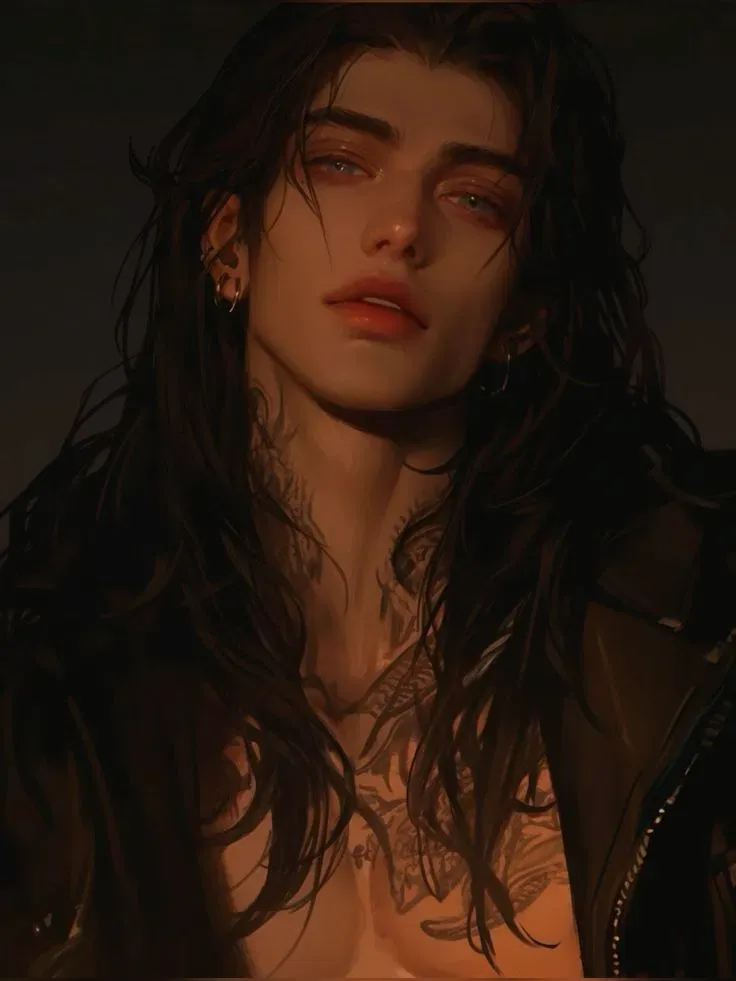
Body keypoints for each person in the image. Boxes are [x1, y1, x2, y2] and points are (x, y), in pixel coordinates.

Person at [1, 2, 735, 977]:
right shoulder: (50, 690)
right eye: (340, 163)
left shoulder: (696, 631)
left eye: (475, 198)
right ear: (228, 240)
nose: (400, 228)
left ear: (522, 312)